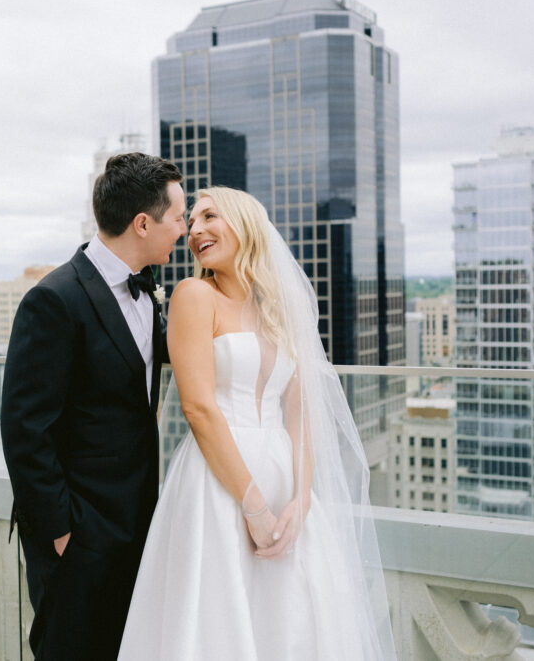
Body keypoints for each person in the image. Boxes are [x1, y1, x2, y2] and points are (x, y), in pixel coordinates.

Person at [118, 187, 395, 660]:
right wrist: (254, 506)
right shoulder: (193, 295)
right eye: (193, 220)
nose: (196, 230)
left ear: (246, 223)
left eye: (210, 215)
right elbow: (198, 408)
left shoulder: (281, 308)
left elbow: (300, 409)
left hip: (286, 484)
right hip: (217, 486)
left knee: (291, 627)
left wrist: (301, 499)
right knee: (218, 624)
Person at [0, 152, 186, 659]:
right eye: (179, 218)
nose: (185, 230)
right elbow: (24, 431)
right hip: (79, 537)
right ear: (143, 223)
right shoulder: (54, 300)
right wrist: (64, 533)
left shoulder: (147, 298)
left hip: (135, 528)